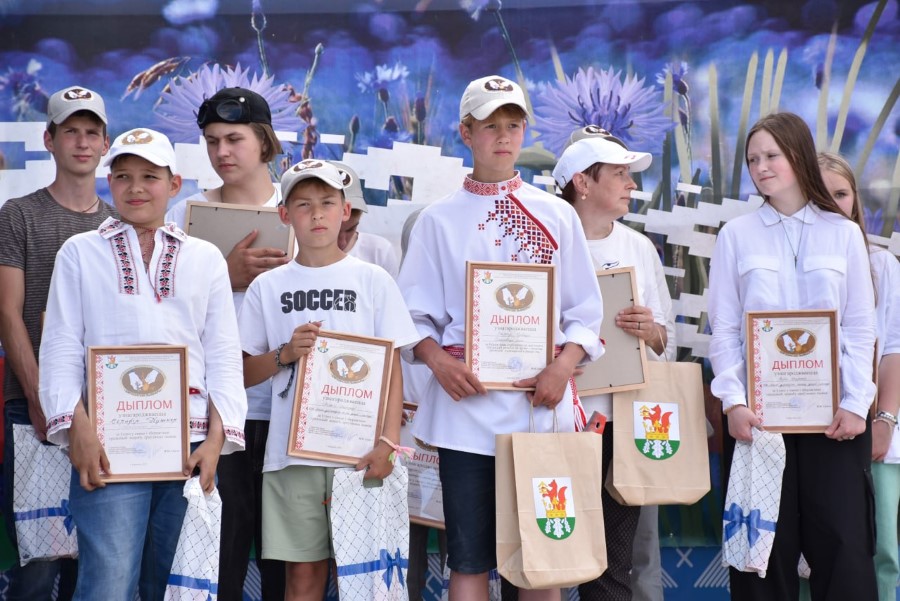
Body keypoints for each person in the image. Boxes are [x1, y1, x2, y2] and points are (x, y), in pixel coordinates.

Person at [396, 75, 604, 601]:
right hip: (465, 414)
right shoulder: (437, 221)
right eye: (491, 126)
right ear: (466, 133)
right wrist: (438, 362)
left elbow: (584, 311)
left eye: (513, 124)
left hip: (540, 410)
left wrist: (562, 366)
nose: (504, 136)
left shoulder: (557, 215)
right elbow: (410, 318)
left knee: (542, 560)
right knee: (468, 561)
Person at [38, 127, 248, 600]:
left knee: (175, 585)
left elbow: (222, 355)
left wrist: (216, 440)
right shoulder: (79, 253)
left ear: (174, 185)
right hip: (108, 444)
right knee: (107, 584)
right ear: (109, 183)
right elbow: (61, 348)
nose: (135, 188)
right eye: (123, 176)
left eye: (150, 177)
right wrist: (78, 428)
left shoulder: (205, 258)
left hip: (189, 447)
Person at [709, 112, 877, 601]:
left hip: (835, 421)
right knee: (761, 558)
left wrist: (856, 402)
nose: (760, 167)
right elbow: (724, 329)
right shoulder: (735, 235)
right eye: (752, 159)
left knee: (844, 550)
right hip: (759, 423)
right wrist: (734, 402)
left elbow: (860, 327)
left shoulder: (842, 233)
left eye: (771, 156)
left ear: (799, 155)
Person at [238, 158, 421, 601]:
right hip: (292, 456)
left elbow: (391, 367)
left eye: (327, 203)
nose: (316, 214)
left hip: (361, 453)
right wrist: (284, 354)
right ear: (284, 214)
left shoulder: (373, 280)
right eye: (303, 204)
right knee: (302, 577)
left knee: (366, 579)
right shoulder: (267, 286)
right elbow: (241, 372)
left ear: (346, 210)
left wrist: (389, 441)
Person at [165, 86, 288, 601]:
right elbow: (161, 312)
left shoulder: (300, 206)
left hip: (289, 410)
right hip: (213, 416)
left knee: (288, 561)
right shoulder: (182, 216)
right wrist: (226, 274)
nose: (222, 152)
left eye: (234, 139)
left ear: (263, 141)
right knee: (220, 555)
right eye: (212, 141)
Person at [0, 85, 115, 601]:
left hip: (104, 409)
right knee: (38, 564)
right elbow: (8, 311)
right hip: (33, 409)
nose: (82, 142)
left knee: (93, 559)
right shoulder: (17, 214)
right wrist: (40, 397)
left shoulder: (118, 224)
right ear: (49, 140)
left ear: (105, 143)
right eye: (71, 131)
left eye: (92, 132)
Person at [552, 133, 674, 601]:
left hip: (621, 426)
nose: (631, 184)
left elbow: (666, 342)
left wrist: (650, 330)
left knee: (613, 564)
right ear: (582, 183)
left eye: (630, 174)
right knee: (546, 552)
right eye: (619, 174)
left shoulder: (639, 247)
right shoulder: (544, 243)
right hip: (554, 424)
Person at [818, 151, 899, 601]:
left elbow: (893, 349)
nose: (832, 203)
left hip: (873, 431)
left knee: (880, 548)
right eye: (820, 193)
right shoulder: (790, 263)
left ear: (856, 201)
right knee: (814, 550)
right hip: (809, 430)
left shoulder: (881, 265)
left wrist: (883, 420)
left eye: (842, 193)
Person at [332, 160, 401, 278]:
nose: (343, 241)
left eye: (351, 229)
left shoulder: (380, 251)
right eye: (335, 231)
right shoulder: (300, 251)